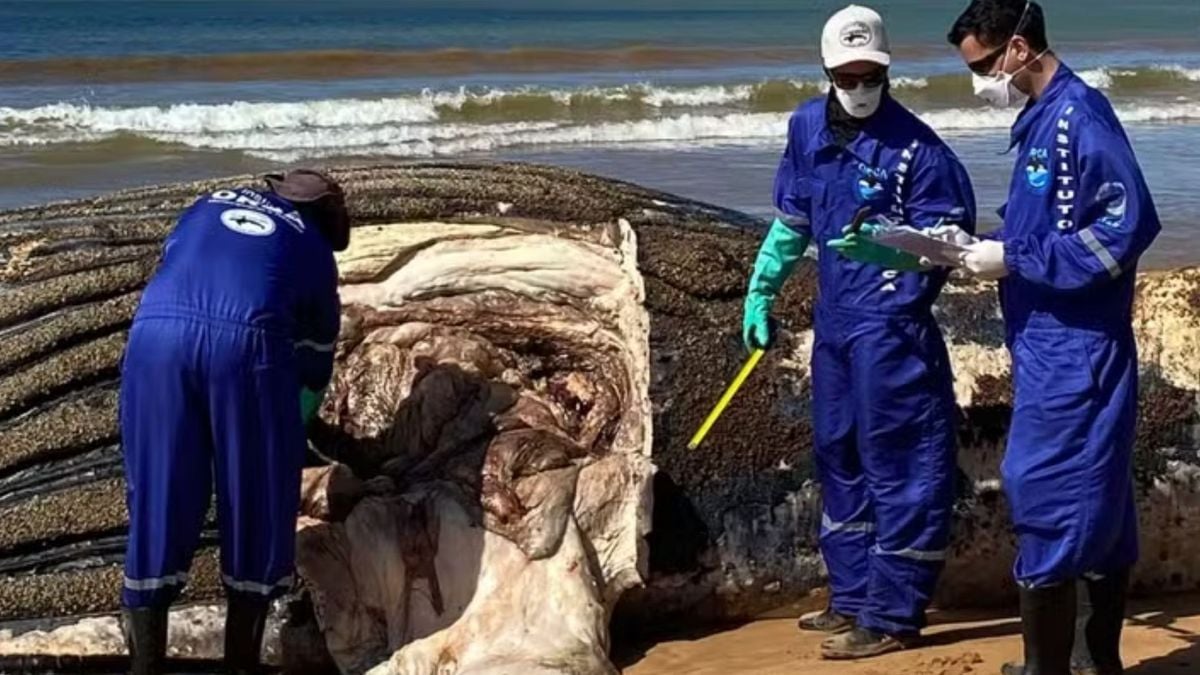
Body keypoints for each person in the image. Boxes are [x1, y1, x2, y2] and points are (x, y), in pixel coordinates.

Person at [742, 4, 976, 659]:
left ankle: (895, 611)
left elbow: (954, 244)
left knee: (900, 463)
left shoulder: (922, 150)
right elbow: (793, 219)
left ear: (887, 70)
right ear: (826, 71)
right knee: (839, 453)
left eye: (870, 73)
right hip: (836, 325)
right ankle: (850, 594)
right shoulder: (805, 126)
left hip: (893, 328)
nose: (860, 84)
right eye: (847, 74)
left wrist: (900, 252)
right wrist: (763, 287)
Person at [936, 2, 1161, 673]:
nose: (979, 81)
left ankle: (1047, 667)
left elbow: (1127, 225)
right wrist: (985, 244)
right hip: (1049, 343)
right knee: (1101, 504)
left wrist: (1016, 258)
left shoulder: (1079, 118)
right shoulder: (1039, 118)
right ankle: (1094, 661)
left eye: (982, 66)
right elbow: (1049, 219)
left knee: (1045, 493)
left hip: (1078, 349)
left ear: (1019, 47)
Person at [119, 169, 350, 674]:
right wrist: (294, 430)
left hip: (153, 337)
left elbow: (180, 268)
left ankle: (144, 666)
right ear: (326, 216)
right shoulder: (313, 247)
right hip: (245, 347)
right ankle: (241, 666)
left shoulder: (204, 205)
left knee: (160, 493)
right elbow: (313, 369)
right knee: (256, 500)